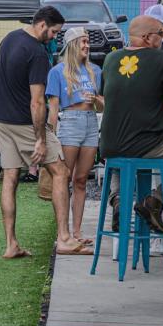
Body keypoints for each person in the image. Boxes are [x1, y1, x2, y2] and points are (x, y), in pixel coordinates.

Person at [99, 15, 163, 237]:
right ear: (147, 38)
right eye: (160, 34)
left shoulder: (111, 59)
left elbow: (106, 98)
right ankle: (155, 201)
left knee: (118, 158)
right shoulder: (162, 59)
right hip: (146, 144)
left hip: (108, 145)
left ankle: (119, 201)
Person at [0, 6, 76, 258]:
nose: (54, 37)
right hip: (25, 123)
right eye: (53, 32)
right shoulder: (37, 53)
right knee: (61, 172)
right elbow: (37, 101)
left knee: (10, 178)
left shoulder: (9, 39)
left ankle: (11, 244)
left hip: (3, 120)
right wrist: (40, 138)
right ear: (42, 25)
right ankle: (63, 238)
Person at [45, 27, 103, 247]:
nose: (87, 46)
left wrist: (96, 99)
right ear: (71, 45)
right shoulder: (57, 72)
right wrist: (51, 134)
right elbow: (53, 107)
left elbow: (102, 104)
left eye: (88, 42)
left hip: (90, 122)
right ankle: (63, 232)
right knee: (64, 178)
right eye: (83, 42)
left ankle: (77, 232)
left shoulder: (95, 71)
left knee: (81, 179)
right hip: (69, 122)